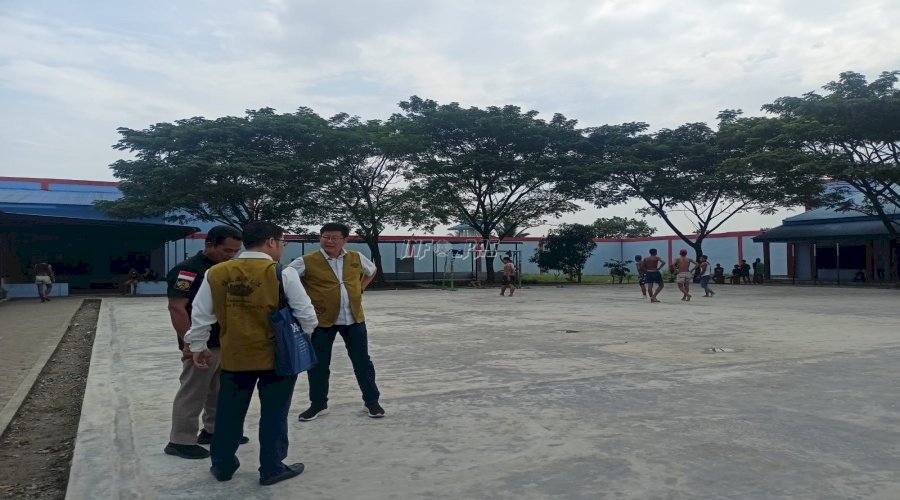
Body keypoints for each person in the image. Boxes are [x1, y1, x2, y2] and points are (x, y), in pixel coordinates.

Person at [185, 221, 318, 485]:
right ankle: (271, 468)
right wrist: (302, 337)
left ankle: (222, 466)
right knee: (274, 413)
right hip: (277, 357)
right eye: (282, 242)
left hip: (235, 355)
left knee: (229, 413)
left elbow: (200, 315)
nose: (282, 248)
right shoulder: (282, 273)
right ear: (271, 242)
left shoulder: (217, 273)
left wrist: (198, 346)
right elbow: (307, 316)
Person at [164, 225, 245, 460]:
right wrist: (189, 343)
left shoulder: (226, 269)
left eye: (235, 252)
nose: (230, 256)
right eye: (226, 251)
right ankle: (180, 440)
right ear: (209, 245)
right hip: (201, 341)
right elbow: (177, 307)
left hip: (223, 340)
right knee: (193, 391)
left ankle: (213, 430)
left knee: (219, 390)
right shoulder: (188, 271)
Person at [290, 222, 384, 421]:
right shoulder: (306, 261)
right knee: (319, 364)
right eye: (325, 237)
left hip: (354, 319)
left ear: (345, 240)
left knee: (362, 362)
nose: (329, 241)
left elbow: (371, 270)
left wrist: (359, 289)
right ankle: (318, 404)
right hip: (322, 321)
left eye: (334, 237)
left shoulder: (355, 257)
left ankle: (372, 401)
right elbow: (287, 279)